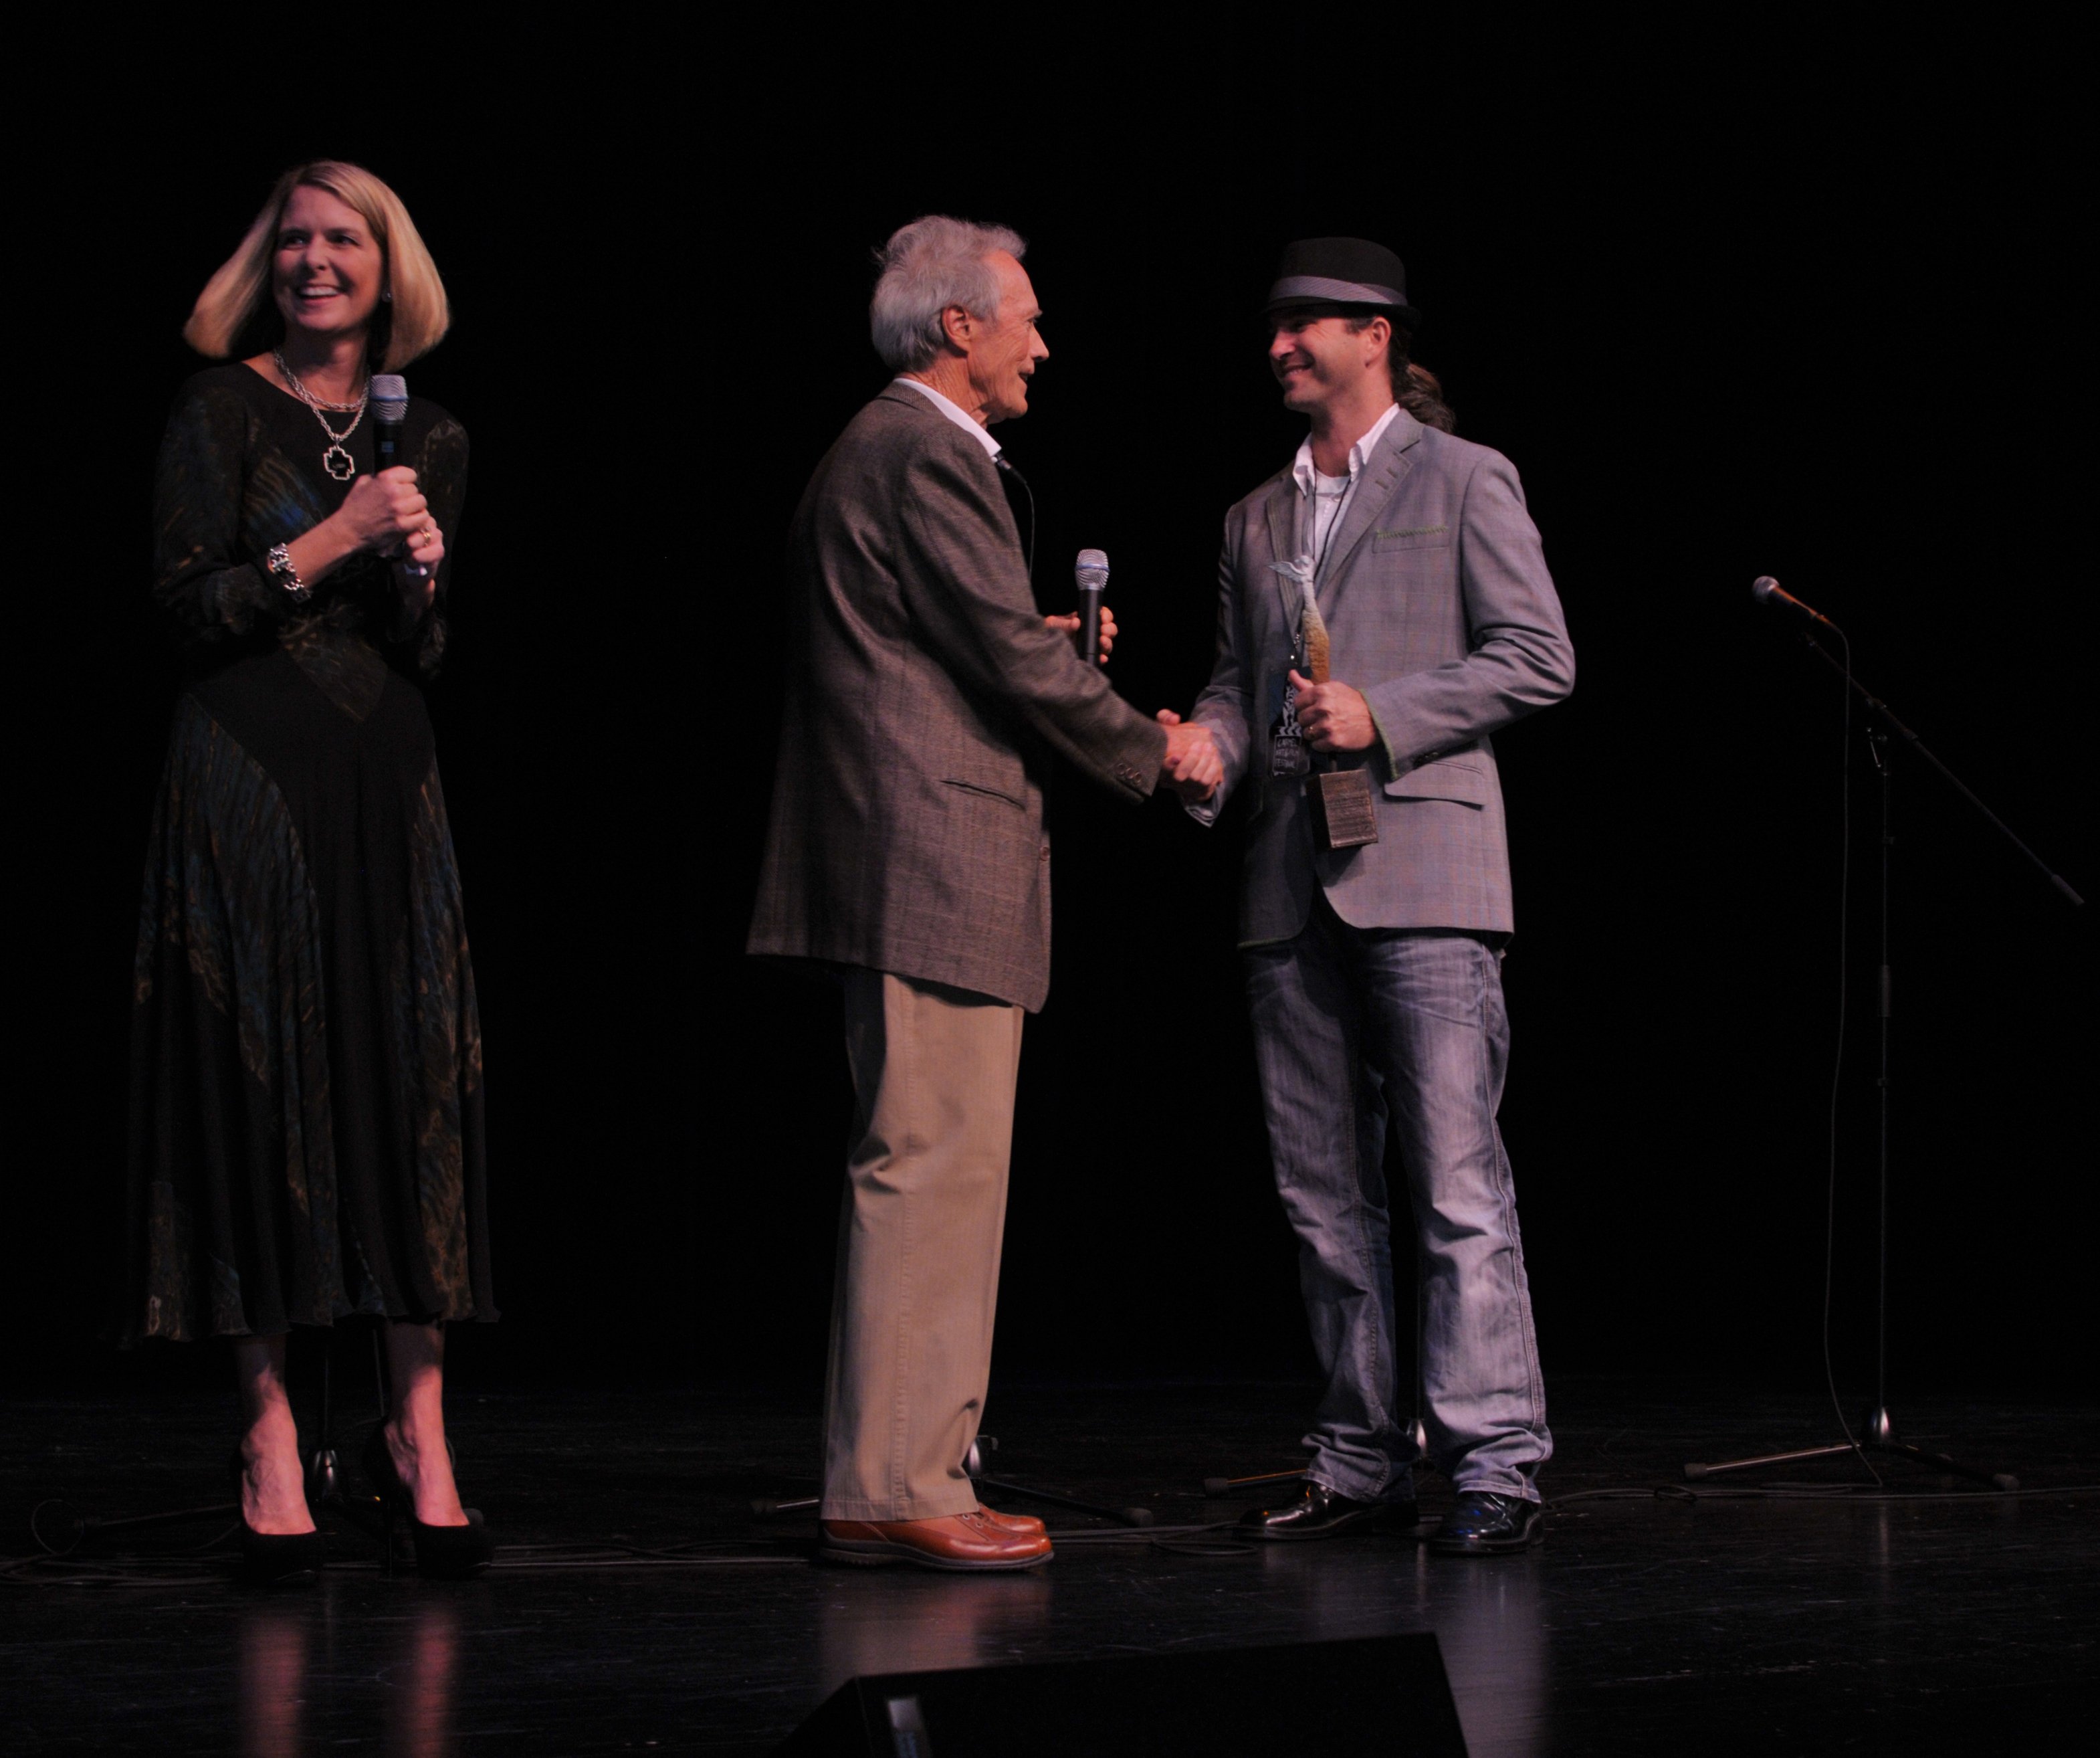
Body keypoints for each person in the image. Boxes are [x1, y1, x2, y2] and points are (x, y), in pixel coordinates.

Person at [748, 215, 1218, 1572]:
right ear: (958, 326)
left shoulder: (900, 453)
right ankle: (897, 1480)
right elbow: (1007, 664)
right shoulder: (917, 448)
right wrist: (1156, 749)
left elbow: (959, 643)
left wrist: (1047, 651)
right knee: (932, 1165)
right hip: (926, 855)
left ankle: (909, 1468)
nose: (1041, 345)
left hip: (921, 850)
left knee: (942, 1162)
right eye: (1025, 317)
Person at [122, 161, 496, 1583]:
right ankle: (270, 1433)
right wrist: (320, 548)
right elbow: (179, 610)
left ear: (389, 267)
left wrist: (415, 577)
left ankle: (417, 1429)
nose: (316, 261)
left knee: (407, 1080)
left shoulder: (435, 433)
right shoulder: (220, 408)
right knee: (260, 1073)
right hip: (245, 777)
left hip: (384, 784)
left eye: (345, 240)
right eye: (295, 241)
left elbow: (431, 655)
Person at [1182, 238, 1574, 1555]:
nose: (1279, 345)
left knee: (1455, 1182)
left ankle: (1494, 1460)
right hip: (1289, 884)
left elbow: (1537, 657)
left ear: (1374, 334)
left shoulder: (1466, 479)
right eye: (1275, 326)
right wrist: (1202, 750)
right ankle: (1357, 1458)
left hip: (1422, 865)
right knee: (1319, 1198)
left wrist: (1383, 714)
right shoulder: (1254, 516)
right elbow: (1241, 687)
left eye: (1302, 324)